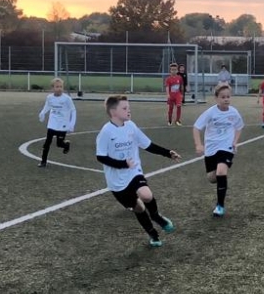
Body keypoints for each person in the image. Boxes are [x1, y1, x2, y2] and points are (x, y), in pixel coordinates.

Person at [96, 95, 181, 248]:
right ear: (113, 112)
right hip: (116, 182)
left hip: (133, 172)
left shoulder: (131, 126)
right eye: (124, 108)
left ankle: (156, 216)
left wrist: (168, 153)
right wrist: (122, 164)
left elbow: (147, 145)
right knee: (139, 208)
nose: (129, 111)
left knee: (146, 195)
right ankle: (153, 235)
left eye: (129, 108)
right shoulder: (106, 132)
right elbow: (100, 157)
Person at [193, 83, 244, 217]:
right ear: (216, 98)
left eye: (228, 97)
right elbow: (196, 128)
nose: (226, 99)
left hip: (226, 147)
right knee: (212, 178)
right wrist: (198, 145)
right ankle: (221, 181)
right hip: (211, 148)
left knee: (221, 171)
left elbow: (239, 127)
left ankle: (220, 206)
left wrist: (235, 142)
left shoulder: (234, 112)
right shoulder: (210, 112)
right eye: (223, 97)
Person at [38, 77, 77, 167]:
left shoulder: (67, 99)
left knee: (59, 144)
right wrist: (42, 113)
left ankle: (66, 145)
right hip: (52, 123)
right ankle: (43, 161)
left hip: (62, 124)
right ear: (52, 88)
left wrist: (72, 124)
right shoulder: (49, 98)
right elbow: (47, 106)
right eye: (57, 87)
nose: (59, 89)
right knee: (47, 142)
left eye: (61, 87)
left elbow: (73, 110)